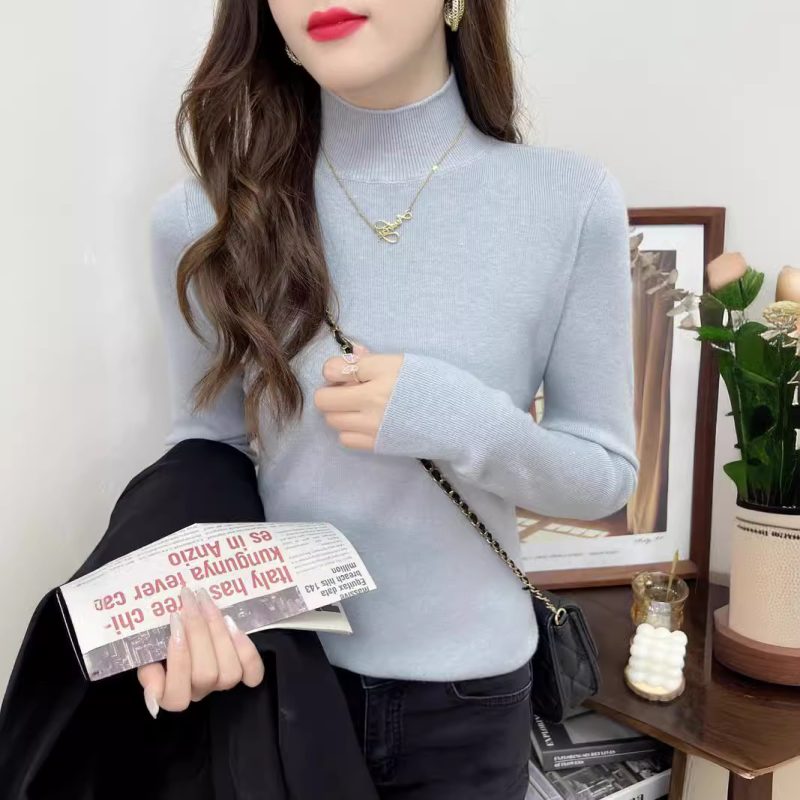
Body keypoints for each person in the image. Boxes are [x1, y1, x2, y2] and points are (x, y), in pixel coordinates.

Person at [142, 1, 640, 798]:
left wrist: (460, 419)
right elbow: (208, 447)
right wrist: (186, 605)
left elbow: (605, 479)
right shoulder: (206, 216)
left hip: (470, 701)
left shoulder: (567, 201)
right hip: (280, 676)